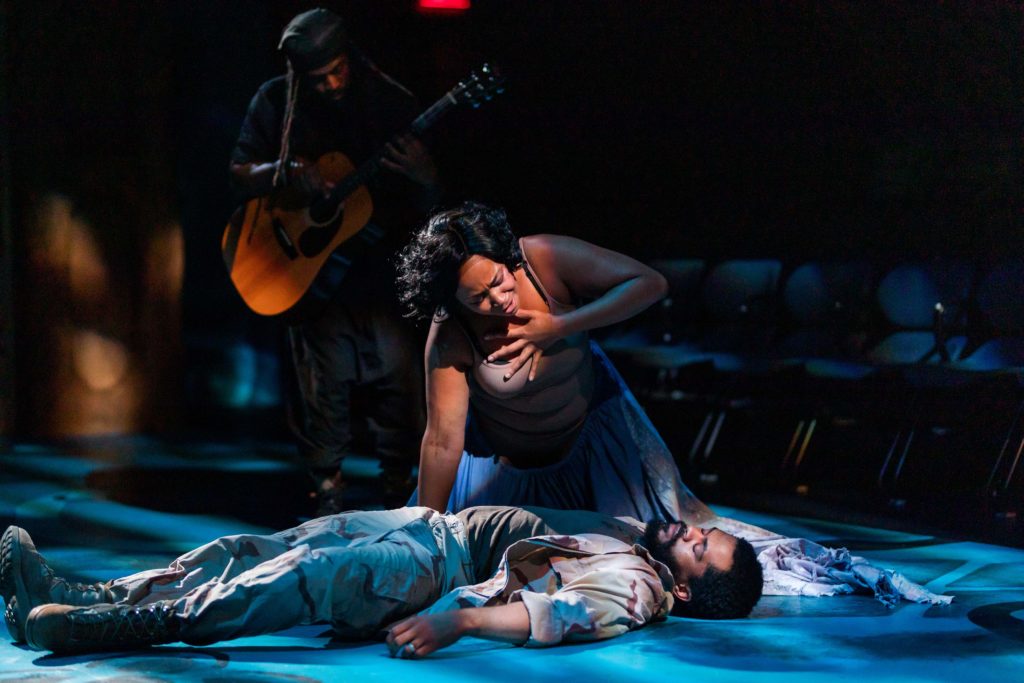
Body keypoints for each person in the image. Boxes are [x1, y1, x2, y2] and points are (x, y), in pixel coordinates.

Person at [0, 507, 763, 656]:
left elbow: (557, 612)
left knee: (310, 571)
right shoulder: (639, 546)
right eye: (703, 530)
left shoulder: (639, 587)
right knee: (256, 545)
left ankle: (128, 624)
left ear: (688, 589)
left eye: (702, 547)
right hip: (435, 525)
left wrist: (457, 622)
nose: (690, 534)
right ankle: (88, 594)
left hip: (442, 566)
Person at [229, 8, 441, 514]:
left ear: (351, 56)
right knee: (321, 401)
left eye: (337, 71)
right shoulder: (276, 100)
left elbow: (431, 211)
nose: (329, 84)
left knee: (400, 395)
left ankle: (401, 505)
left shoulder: (391, 102)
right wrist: (279, 171)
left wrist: (427, 176)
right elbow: (239, 170)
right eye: (316, 78)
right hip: (310, 280)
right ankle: (326, 505)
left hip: (382, 280)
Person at [396, 201, 709, 522]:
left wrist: (558, 326)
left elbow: (651, 284)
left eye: (497, 280)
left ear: (503, 257)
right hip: (506, 479)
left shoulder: (543, 259)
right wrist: (427, 526)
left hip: (594, 464)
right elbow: (441, 439)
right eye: (478, 299)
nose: (499, 299)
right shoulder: (452, 331)